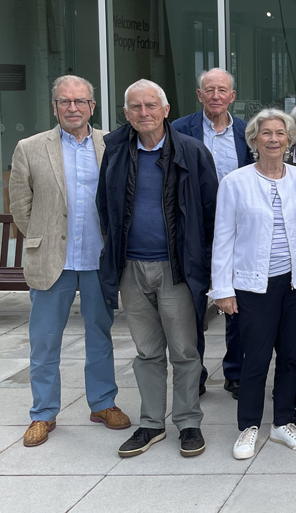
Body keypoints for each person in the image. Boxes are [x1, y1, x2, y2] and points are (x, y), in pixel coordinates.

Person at [98, 80, 219, 459]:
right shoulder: (116, 151)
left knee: (184, 350)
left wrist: (205, 264)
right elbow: (106, 206)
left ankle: (187, 422)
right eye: (136, 107)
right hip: (131, 267)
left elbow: (211, 212)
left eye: (151, 105)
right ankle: (151, 423)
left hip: (177, 269)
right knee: (147, 351)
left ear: (166, 110)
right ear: (126, 113)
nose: (144, 113)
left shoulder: (192, 151)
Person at [10, 75, 130, 448]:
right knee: (44, 342)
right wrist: (43, 237)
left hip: (97, 258)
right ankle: (43, 413)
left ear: (92, 107)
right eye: (65, 102)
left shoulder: (112, 143)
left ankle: (103, 403)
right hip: (51, 261)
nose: (73, 108)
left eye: (80, 101)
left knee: (100, 336)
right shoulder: (29, 148)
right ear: (55, 106)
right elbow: (19, 206)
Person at [210, 109, 296, 460]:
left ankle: (282, 423)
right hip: (252, 285)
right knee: (255, 359)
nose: (273, 139)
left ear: (290, 140)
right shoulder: (235, 182)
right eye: (266, 133)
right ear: (254, 140)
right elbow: (223, 238)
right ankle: (248, 426)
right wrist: (222, 289)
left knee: (291, 355)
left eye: (280, 133)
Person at [171, 68, 253, 399]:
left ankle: (234, 371)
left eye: (222, 90)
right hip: (193, 232)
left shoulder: (248, 134)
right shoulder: (178, 130)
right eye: (210, 90)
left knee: (237, 305)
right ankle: (196, 373)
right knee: (192, 307)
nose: (216, 95)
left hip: (237, 234)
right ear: (199, 94)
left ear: (232, 96)